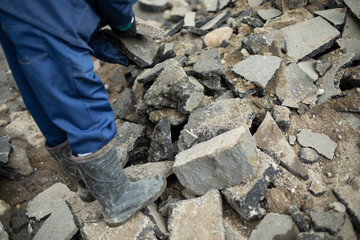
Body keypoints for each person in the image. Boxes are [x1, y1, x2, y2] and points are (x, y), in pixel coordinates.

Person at [0, 0, 166, 227]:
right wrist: (124, 22)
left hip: (14, 11)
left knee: (42, 89)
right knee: (80, 96)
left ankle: (86, 182)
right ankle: (118, 199)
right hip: (48, 10)